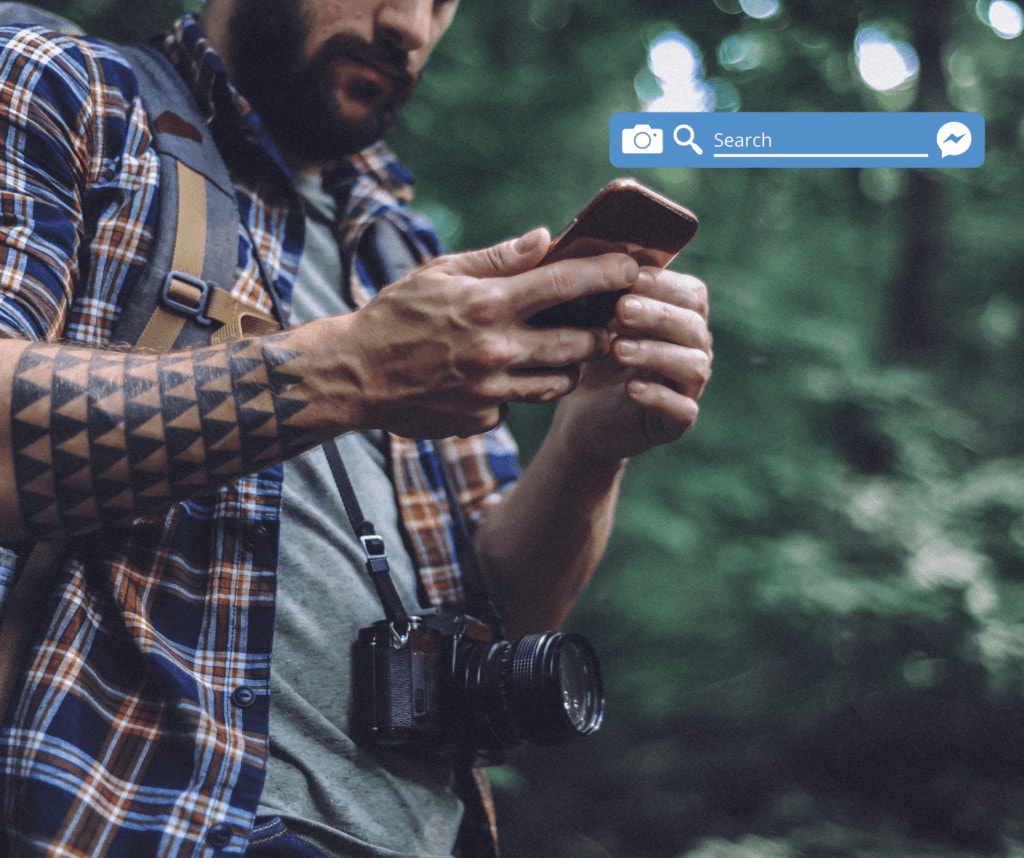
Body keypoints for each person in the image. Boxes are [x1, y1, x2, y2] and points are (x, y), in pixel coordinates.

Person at [0, 0, 712, 855]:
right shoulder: (67, 87)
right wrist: (356, 369)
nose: (410, 27)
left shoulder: (408, 257)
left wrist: (589, 447)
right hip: (140, 822)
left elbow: (504, 621)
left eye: (442, 3)